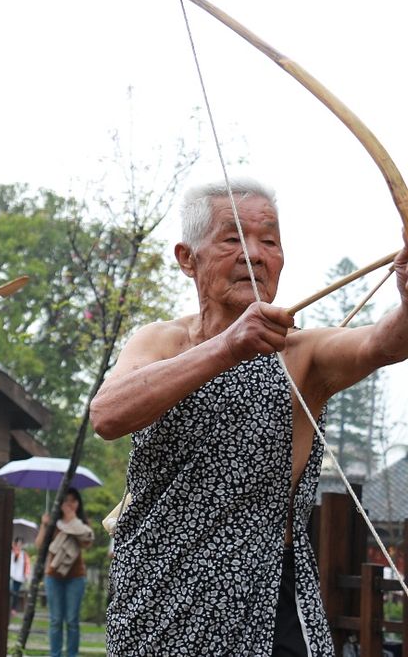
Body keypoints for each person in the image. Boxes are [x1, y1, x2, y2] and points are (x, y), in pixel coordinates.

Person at [91, 178, 408, 656]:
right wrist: (228, 346)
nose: (255, 254)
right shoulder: (161, 342)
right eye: (232, 238)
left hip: (270, 597)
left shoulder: (303, 353)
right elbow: (108, 414)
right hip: (156, 592)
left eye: (269, 241)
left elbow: (382, 343)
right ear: (186, 257)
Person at [35, 489, 92, 657]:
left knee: (72, 620)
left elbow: (87, 543)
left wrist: (73, 520)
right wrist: (45, 525)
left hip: (76, 577)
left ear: (78, 503)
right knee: (55, 620)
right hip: (53, 576)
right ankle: (55, 654)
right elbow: (39, 546)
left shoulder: (82, 523)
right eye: (66, 501)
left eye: (74, 501)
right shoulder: (54, 523)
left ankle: (72, 654)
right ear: (60, 503)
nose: (70, 504)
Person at [8, 536, 30, 613]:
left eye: (21, 544)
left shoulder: (24, 554)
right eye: (18, 543)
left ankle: (13, 608)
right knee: (10, 591)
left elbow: (27, 565)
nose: (19, 545)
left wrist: (26, 575)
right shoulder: (12, 552)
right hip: (11, 575)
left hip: (19, 577)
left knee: (15, 593)